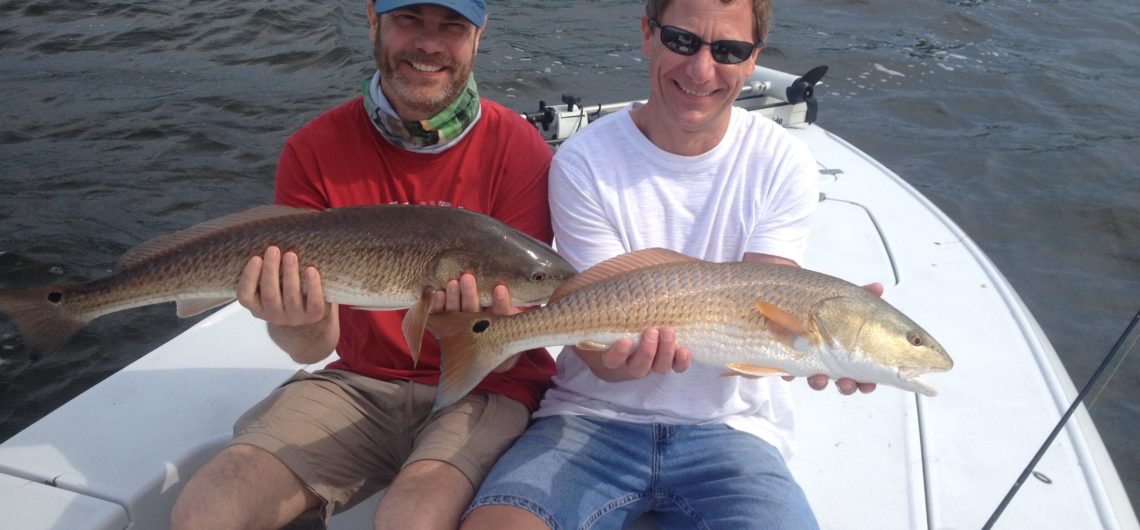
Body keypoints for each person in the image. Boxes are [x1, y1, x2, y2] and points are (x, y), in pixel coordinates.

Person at [462, 0, 876, 528]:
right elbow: (598, 343)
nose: (701, 69)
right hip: (589, 419)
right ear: (647, 35)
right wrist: (614, 358)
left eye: (728, 49)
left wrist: (836, 350)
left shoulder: (784, 161)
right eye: (682, 41)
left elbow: (766, 304)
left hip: (735, 433)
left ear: (753, 60)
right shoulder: (584, 160)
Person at [170, 1, 557, 529]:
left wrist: (473, 325)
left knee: (410, 519)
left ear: (478, 35)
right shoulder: (313, 149)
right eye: (409, 20)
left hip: (485, 386)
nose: (429, 44)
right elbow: (312, 347)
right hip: (357, 384)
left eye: (451, 26)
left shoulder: (521, 150)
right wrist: (293, 317)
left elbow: (516, 352)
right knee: (207, 507)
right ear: (373, 19)